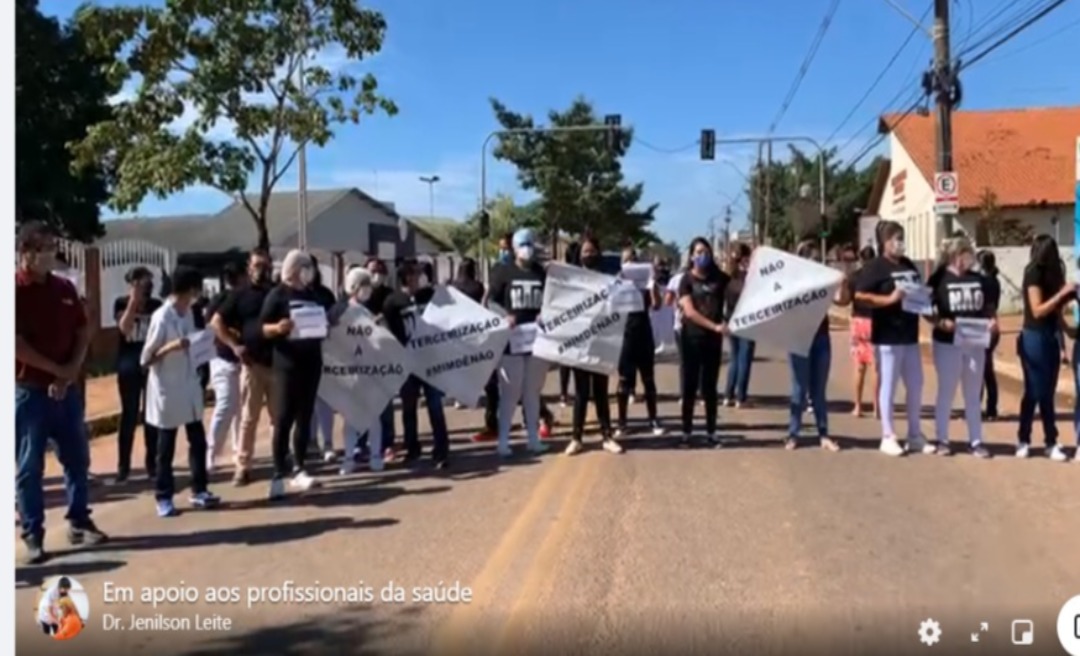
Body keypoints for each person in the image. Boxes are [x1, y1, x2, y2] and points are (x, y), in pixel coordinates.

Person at [16, 222, 107, 565]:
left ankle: (79, 520)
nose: (50, 254)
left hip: (64, 392)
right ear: (26, 252)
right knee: (29, 467)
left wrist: (69, 372)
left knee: (78, 458)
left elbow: (83, 329)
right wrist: (58, 372)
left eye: (52, 247)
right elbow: (16, 346)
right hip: (30, 392)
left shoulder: (64, 287)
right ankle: (33, 534)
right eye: (42, 248)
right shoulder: (15, 291)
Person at [140, 265, 221, 517]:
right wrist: (172, 347)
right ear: (188, 289)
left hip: (189, 385)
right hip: (167, 388)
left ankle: (199, 490)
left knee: (197, 440)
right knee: (166, 447)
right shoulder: (162, 317)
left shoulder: (187, 313)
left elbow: (192, 343)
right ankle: (163, 496)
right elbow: (146, 358)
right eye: (196, 289)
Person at [260, 250, 332, 498]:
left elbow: (321, 322)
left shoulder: (312, 295)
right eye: (304, 267)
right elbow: (262, 328)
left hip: (311, 362)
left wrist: (324, 328)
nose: (308, 271)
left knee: (305, 416)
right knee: (284, 419)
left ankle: (300, 467)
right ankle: (278, 473)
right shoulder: (278, 295)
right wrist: (278, 328)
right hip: (287, 365)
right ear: (293, 269)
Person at [854, 220, 926, 457]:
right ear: (885, 242)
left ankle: (915, 434)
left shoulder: (908, 264)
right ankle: (888, 435)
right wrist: (888, 300)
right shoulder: (875, 267)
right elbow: (861, 296)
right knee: (889, 385)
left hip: (910, 334)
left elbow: (918, 291)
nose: (900, 243)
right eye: (896, 238)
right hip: (887, 336)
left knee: (915, 385)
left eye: (902, 237)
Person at [926, 236, 996, 459]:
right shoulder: (939, 279)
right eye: (967, 254)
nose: (970, 259)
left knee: (973, 394)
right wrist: (940, 322)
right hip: (948, 343)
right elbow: (925, 309)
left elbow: (988, 307)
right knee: (947, 391)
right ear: (957, 256)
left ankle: (976, 441)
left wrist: (993, 321)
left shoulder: (978, 279)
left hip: (975, 343)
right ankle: (942, 439)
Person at [211, 248, 277, 486]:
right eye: (257, 265)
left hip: (276, 364)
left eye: (265, 265)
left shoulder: (276, 293)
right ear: (249, 267)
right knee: (249, 419)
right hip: (252, 365)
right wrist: (234, 345)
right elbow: (216, 322)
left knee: (278, 419)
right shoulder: (239, 295)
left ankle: (280, 461)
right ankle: (243, 466)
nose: (261, 270)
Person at [383, 260, 452, 468]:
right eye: (415, 274)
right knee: (408, 408)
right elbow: (392, 334)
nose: (420, 277)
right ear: (407, 277)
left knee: (434, 406)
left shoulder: (429, 296)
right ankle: (412, 448)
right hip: (408, 364)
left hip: (430, 361)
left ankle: (441, 450)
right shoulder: (392, 302)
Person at [489, 228, 550, 457]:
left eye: (531, 243)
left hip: (536, 340)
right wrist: (504, 316)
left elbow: (550, 300)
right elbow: (492, 301)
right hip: (511, 343)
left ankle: (533, 439)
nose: (528, 248)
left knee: (532, 392)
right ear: (514, 248)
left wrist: (544, 314)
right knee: (510, 393)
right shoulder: (503, 272)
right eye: (523, 243)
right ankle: (503, 440)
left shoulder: (540, 273)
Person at [1016, 234, 1074, 461]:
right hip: (1033, 336)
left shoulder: (1056, 271)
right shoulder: (1033, 272)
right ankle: (1024, 438)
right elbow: (1038, 309)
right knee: (1034, 390)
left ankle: (1051, 442)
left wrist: (1064, 335)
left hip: (1051, 334)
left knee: (1048, 390)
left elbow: (1057, 310)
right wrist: (1061, 293)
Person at [785, 240, 846, 452]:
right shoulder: (790, 283)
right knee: (799, 390)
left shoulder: (824, 281)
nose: (814, 261)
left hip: (821, 339)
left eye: (816, 258)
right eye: (809, 257)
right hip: (799, 338)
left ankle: (824, 434)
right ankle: (793, 434)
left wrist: (843, 282)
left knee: (818, 391)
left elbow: (842, 300)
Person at [565, 237, 624, 455]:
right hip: (579, 343)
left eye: (592, 251)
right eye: (585, 251)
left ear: (598, 253)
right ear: (579, 254)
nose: (588, 255)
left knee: (600, 391)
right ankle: (576, 437)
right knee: (581, 392)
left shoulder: (607, 279)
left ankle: (607, 435)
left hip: (601, 342)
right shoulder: (571, 279)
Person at [331, 267, 390, 474]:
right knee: (350, 418)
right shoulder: (339, 311)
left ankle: (375, 455)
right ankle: (349, 456)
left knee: (372, 415)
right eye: (364, 286)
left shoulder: (366, 312)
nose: (368, 291)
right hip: (348, 370)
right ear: (354, 287)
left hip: (368, 370)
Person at [676, 237, 730, 446]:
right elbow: (689, 312)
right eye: (698, 252)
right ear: (691, 256)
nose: (702, 255)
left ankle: (711, 432)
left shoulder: (721, 279)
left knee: (709, 388)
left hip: (713, 343)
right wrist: (715, 326)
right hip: (691, 339)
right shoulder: (686, 281)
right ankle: (686, 433)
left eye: (705, 251)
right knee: (689, 387)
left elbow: (739, 296)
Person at [114, 265, 163, 482]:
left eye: (148, 284)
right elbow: (124, 329)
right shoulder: (121, 303)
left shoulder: (156, 306)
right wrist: (134, 302)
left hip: (151, 364)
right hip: (129, 364)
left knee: (151, 415)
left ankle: (151, 463)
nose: (146, 289)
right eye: (141, 284)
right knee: (129, 414)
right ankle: (123, 466)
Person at [615, 245, 663, 437]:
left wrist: (652, 285)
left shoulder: (646, 285)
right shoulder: (618, 284)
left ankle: (653, 419)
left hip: (644, 333)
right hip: (625, 335)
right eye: (627, 260)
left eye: (634, 260)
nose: (631, 263)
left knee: (648, 379)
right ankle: (622, 422)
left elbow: (658, 305)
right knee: (624, 381)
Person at [353, 258, 398, 462]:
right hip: (362, 357)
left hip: (384, 356)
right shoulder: (358, 297)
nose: (376, 275)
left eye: (380, 270)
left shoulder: (390, 296)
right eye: (372, 270)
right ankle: (359, 444)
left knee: (385, 404)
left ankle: (387, 444)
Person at [205, 263, 246, 474]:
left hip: (241, 361)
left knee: (240, 408)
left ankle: (239, 450)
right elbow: (213, 324)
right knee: (226, 405)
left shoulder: (245, 299)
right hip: (223, 359)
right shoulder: (221, 301)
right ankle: (210, 453)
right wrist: (232, 343)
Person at [306, 257, 340, 463]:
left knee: (325, 401)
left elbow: (336, 319)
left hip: (326, 353)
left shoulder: (325, 294)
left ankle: (327, 443)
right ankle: (308, 443)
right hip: (301, 355)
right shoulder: (292, 294)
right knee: (306, 404)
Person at [722, 243, 755, 408]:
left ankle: (728, 395)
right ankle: (741, 397)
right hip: (748, 321)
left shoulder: (728, 276)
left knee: (734, 359)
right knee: (745, 360)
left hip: (730, 320)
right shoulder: (750, 277)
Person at [849, 246, 878, 418]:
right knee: (876, 367)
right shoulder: (878, 276)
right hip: (875, 322)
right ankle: (876, 408)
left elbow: (847, 298)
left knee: (859, 367)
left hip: (858, 321)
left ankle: (858, 406)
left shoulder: (854, 277)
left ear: (860, 259)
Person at [977, 249, 1002, 421]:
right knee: (986, 369)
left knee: (980, 369)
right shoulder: (995, 281)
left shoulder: (982, 282)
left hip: (982, 326)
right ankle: (990, 406)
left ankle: (980, 406)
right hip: (993, 325)